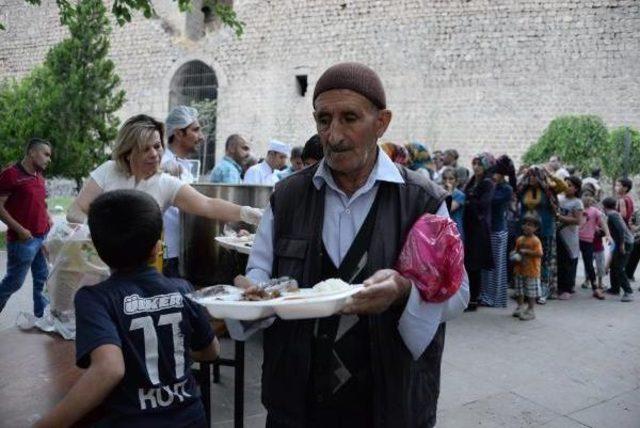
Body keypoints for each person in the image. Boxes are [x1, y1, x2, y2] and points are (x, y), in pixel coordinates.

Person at [231, 62, 468, 427]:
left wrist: (404, 290)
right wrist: (251, 296)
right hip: (297, 402)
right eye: (323, 120)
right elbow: (260, 272)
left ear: (381, 122)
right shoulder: (289, 197)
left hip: (389, 402)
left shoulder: (422, 201)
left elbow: (459, 294)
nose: (334, 135)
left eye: (350, 118)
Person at [35, 190, 219, 428]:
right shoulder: (183, 289)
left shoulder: (94, 299)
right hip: (191, 419)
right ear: (156, 247)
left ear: (97, 250)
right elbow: (211, 351)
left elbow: (109, 368)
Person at [67, 114, 261, 228]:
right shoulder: (109, 171)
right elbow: (75, 210)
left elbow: (208, 204)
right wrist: (98, 233)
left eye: (157, 146)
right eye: (145, 148)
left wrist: (247, 213)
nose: (154, 154)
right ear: (127, 153)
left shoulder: (165, 183)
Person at [0, 138, 53, 317]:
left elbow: (41, 203)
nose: (49, 159)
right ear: (32, 153)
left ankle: (41, 317)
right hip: (23, 241)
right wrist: (20, 230)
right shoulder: (10, 175)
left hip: (41, 237)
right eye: (45, 154)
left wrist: (48, 220)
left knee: (42, 280)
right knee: (14, 282)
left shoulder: (39, 176)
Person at [161, 106, 204, 277]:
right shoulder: (162, 164)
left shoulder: (184, 168)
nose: (201, 137)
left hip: (181, 252)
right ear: (178, 133)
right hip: (165, 254)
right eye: (195, 130)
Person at [517, 166, 566, 303]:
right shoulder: (524, 189)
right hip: (526, 230)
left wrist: (549, 174)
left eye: (535, 175)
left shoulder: (549, 190)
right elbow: (516, 188)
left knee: (544, 261)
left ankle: (543, 290)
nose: (532, 178)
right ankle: (527, 291)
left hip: (545, 229)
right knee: (525, 260)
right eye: (530, 175)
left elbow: (563, 186)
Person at [480, 155, 515, 308]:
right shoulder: (493, 186)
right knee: (488, 265)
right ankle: (486, 294)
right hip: (489, 229)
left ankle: (496, 298)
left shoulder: (506, 189)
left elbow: (491, 200)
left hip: (499, 230)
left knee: (498, 266)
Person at [463, 152, 495, 311]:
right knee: (468, 265)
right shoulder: (472, 181)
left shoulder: (487, 183)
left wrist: (470, 198)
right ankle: (468, 297)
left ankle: (473, 299)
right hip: (469, 226)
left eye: (479, 164)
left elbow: (482, 205)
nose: (476, 167)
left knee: (474, 265)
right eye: (474, 164)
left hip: (478, 229)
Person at [556, 176, 584, 300]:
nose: (566, 187)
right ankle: (560, 287)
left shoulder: (577, 202)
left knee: (569, 262)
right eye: (565, 184)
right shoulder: (559, 198)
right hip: (558, 234)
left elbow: (578, 220)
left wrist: (559, 217)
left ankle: (568, 288)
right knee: (559, 262)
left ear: (576, 188)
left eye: (569, 185)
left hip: (569, 236)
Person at [512, 213, 543, 321]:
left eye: (530, 225)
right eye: (525, 224)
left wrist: (527, 251)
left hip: (532, 270)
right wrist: (513, 255)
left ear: (536, 228)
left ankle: (531, 309)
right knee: (519, 290)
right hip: (519, 269)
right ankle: (520, 307)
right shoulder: (520, 239)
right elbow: (516, 250)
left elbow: (539, 253)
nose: (526, 227)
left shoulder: (536, 240)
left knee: (531, 291)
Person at [602, 197, 634, 301]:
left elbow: (621, 230)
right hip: (621, 242)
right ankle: (615, 288)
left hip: (625, 242)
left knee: (619, 267)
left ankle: (628, 291)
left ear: (604, 206)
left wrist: (622, 245)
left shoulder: (612, 215)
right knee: (614, 265)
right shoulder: (613, 214)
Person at [578, 195, 606, 299]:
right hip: (575, 238)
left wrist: (607, 234)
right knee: (571, 261)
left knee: (588, 263)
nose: (588, 200)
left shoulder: (594, 211)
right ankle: (567, 286)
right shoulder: (578, 207)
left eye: (590, 198)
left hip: (587, 240)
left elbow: (602, 222)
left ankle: (595, 288)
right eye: (585, 197)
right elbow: (579, 224)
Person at [441, 167, 465, 239]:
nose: (447, 181)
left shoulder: (460, 195)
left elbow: (449, 209)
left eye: (451, 179)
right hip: (442, 229)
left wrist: (449, 192)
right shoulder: (440, 192)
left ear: (456, 181)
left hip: (455, 230)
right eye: (445, 178)